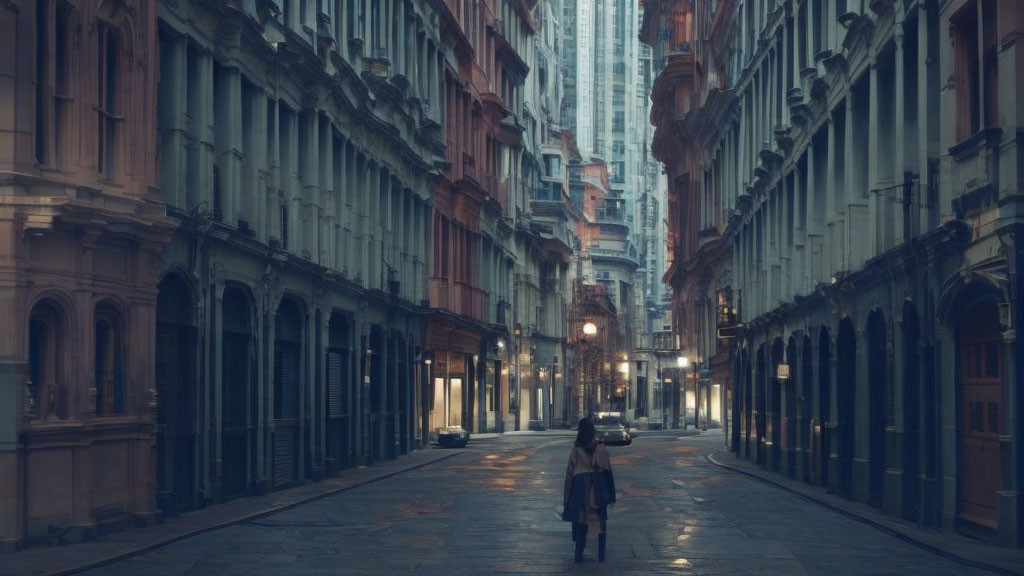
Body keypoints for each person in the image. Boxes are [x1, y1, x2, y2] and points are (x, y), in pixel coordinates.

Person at [562, 417, 615, 563]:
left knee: (580, 521)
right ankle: (601, 556)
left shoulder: (577, 448)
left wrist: (566, 497)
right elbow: (607, 469)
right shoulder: (600, 447)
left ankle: (578, 555)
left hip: (579, 486)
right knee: (600, 522)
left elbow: (569, 472)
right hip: (597, 488)